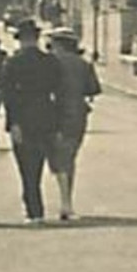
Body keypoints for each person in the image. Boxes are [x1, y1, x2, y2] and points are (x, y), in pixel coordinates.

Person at [0, 18, 64, 224]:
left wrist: (12, 123)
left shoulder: (13, 62)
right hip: (46, 115)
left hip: (23, 117)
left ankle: (34, 209)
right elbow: (59, 92)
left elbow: (8, 95)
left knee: (26, 167)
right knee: (40, 163)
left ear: (20, 39)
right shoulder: (50, 61)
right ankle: (36, 207)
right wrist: (58, 123)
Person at [47, 27, 102, 220]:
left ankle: (64, 202)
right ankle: (66, 201)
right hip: (77, 114)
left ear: (59, 44)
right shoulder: (83, 64)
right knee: (69, 157)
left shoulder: (51, 62)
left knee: (57, 157)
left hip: (53, 113)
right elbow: (93, 89)